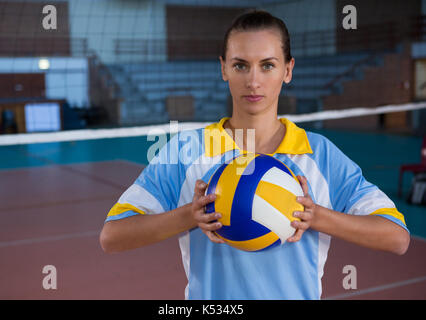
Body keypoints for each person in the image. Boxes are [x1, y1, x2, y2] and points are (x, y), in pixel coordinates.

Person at [100, 10, 410, 300]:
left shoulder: (320, 155)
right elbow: (112, 237)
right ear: (224, 68)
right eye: (240, 65)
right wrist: (189, 215)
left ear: (287, 70)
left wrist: (317, 216)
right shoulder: (187, 152)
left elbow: (397, 238)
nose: (253, 80)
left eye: (268, 64)